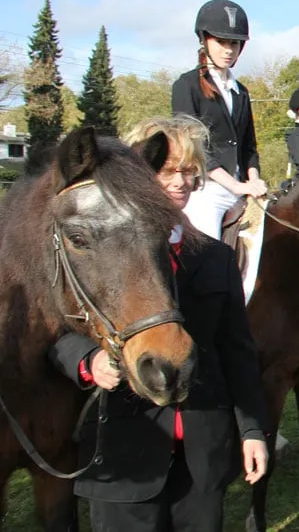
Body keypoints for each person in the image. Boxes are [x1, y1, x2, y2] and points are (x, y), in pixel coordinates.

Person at [48, 116, 269, 531]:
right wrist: (88, 361)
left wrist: (253, 430)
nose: (181, 181)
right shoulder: (97, 252)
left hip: (202, 455)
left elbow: (237, 351)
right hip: (122, 455)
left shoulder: (216, 258)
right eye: (167, 170)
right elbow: (56, 330)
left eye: (190, 171)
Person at [171, 0, 267, 241]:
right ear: (204, 40)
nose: (228, 49)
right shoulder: (187, 86)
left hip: (241, 190)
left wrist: (253, 182)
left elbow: (249, 146)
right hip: (206, 190)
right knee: (207, 253)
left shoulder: (241, 92)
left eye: (234, 43)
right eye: (221, 41)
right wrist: (234, 186)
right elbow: (194, 148)